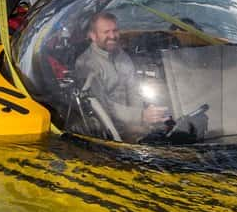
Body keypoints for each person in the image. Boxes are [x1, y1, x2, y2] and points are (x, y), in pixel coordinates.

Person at [72, 11, 169, 141]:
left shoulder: (121, 55)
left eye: (115, 30)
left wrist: (141, 120)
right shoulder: (86, 64)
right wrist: (140, 116)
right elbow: (103, 107)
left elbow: (134, 90)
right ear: (93, 36)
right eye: (106, 32)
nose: (112, 36)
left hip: (131, 121)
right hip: (109, 128)